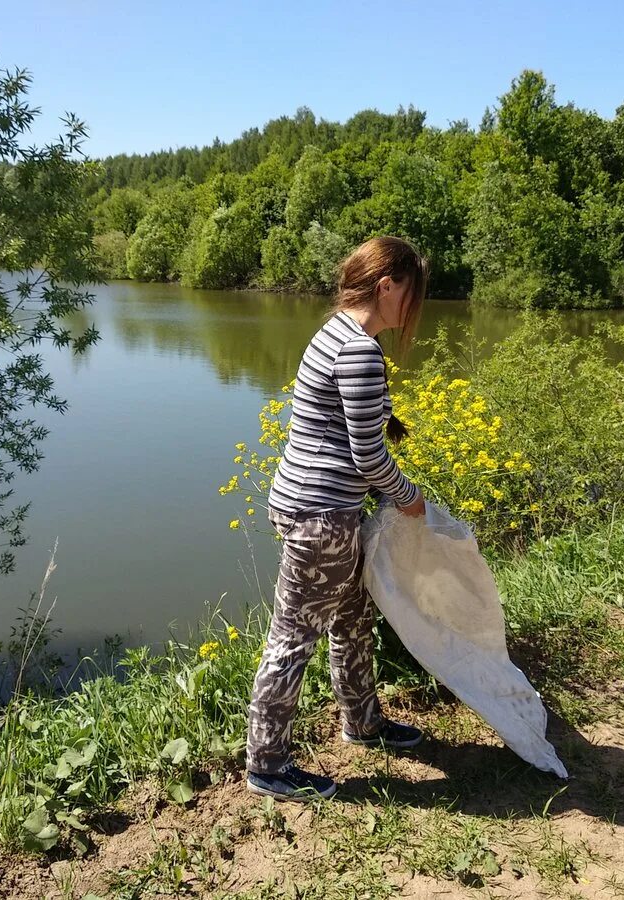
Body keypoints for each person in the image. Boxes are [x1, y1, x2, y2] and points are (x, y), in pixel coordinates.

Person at [245, 236, 429, 801]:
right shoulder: (360, 350)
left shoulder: (333, 333)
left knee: (353, 620)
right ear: (387, 285)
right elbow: (367, 455)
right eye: (411, 293)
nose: (411, 308)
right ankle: (267, 766)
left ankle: (363, 722)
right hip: (322, 516)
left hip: (309, 504)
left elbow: (346, 419)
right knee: (293, 638)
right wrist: (408, 496)